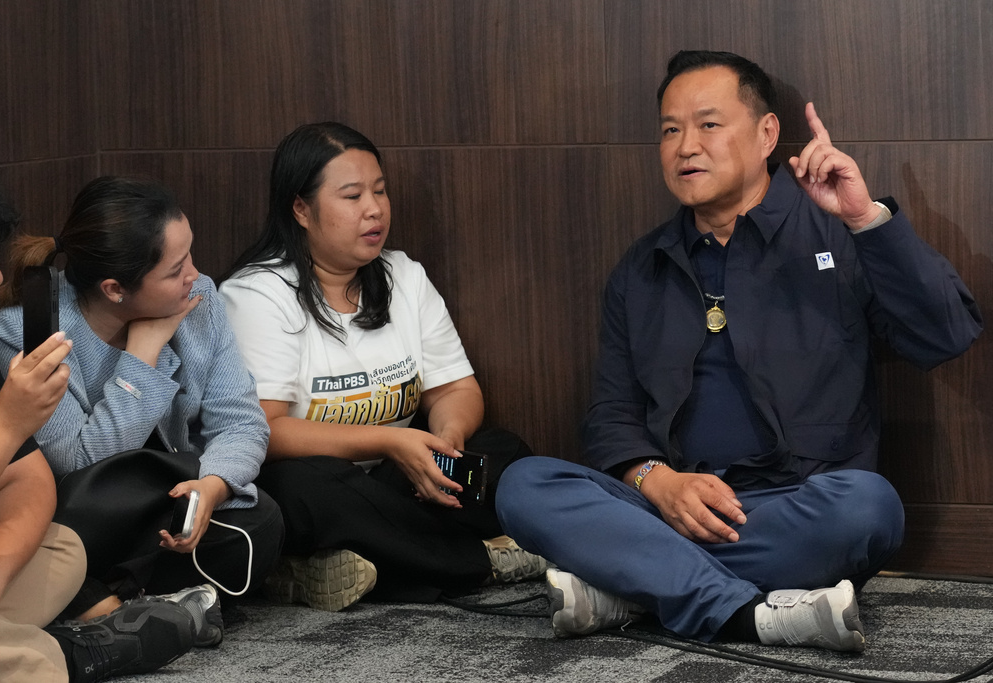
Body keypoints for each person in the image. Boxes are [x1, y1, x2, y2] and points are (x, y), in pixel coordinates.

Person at [495, 51, 982, 651]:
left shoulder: (835, 234)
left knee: (869, 508)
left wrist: (865, 219)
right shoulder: (641, 269)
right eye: (670, 130)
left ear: (767, 134)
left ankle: (634, 585)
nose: (685, 146)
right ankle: (741, 613)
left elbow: (947, 335)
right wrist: (657, 481)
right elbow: (611, 417)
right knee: (524, 485)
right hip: (668, 503)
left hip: (792, 504)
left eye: (708, 124)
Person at [218, 122, 546, 609]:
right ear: (301, 208)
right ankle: (476, 564)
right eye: (352, 196)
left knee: (503, 454)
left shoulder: (403, 277)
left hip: (400, 478)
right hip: (320, 483)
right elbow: (265, 431)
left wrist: (444, 447)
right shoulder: (256, 294)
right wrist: (391, 440)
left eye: (380, 190)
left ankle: (346, 566)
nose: (374, 209)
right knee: (305, 489)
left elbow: (455, 389)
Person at [0, 176, 285, 648]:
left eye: (189, 255)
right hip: (80, 517)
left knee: (261, 521)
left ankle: (114, 606)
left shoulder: (198, 297)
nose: (196, 275)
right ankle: (127, 608)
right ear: (114, 288)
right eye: (175, 269)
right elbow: (81, 466)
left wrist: (210, 487)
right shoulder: (26, 331)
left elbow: (241, 421)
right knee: (53, 547)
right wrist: (142, 356)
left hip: (161, 502)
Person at [0, 168, 195, 682]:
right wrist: (7, 425)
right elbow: (77, 463)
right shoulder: (15, 334)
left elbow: (27, 479)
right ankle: (71, 655)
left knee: (62, 549)